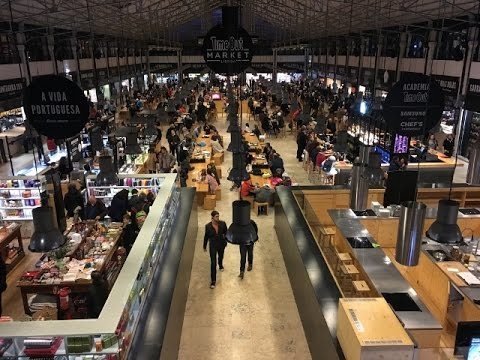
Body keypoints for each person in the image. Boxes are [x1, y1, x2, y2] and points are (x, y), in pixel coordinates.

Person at [203, 211, 228, 289]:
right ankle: (213, 281)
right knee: (213, 263)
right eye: (216, 216)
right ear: (212, 217)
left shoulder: (223, 224)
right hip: (213, 246)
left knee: (220, 257)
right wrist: (204, 246)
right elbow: (206, 236)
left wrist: (226, 241)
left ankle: (220, 265)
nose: (218, 218)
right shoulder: (207, 226)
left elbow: (226, 233)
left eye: (218, 216)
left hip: (221, 244)